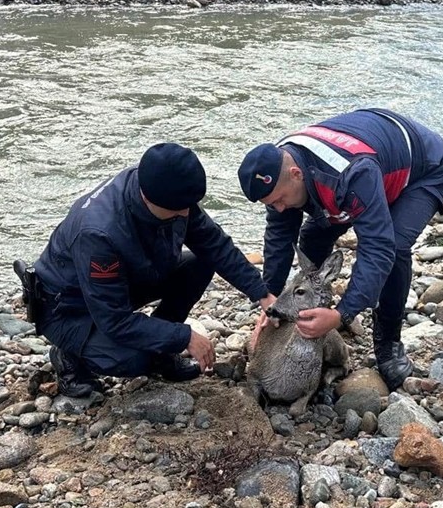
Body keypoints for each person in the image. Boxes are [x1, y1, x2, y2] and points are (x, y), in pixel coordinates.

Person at [30, 142, 277, 397]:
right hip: (70, 309)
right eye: (178, 210)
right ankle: (69, 354)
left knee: (202, 262)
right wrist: (183, 337)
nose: (186, 214)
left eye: (189, 206)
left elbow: (215, 245)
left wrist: (261, 293)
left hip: (125, 279)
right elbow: (114, 319)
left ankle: (160, 350)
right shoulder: (98, 234)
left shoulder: (169, 190)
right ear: (148, 198)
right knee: (135, 360)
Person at [237, 109, 443, 391]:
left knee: (395, 246)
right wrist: (272, 300)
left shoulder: (351, 174)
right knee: (313, 236)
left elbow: (378, 248)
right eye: (271, 204)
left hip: (423, 170)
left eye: (279, 199)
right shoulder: (278, 168)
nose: (278, 208)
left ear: (296, 174)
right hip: (371, 165)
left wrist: (344, 313)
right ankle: (313, 307)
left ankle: (388, 342)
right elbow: (280, 236)